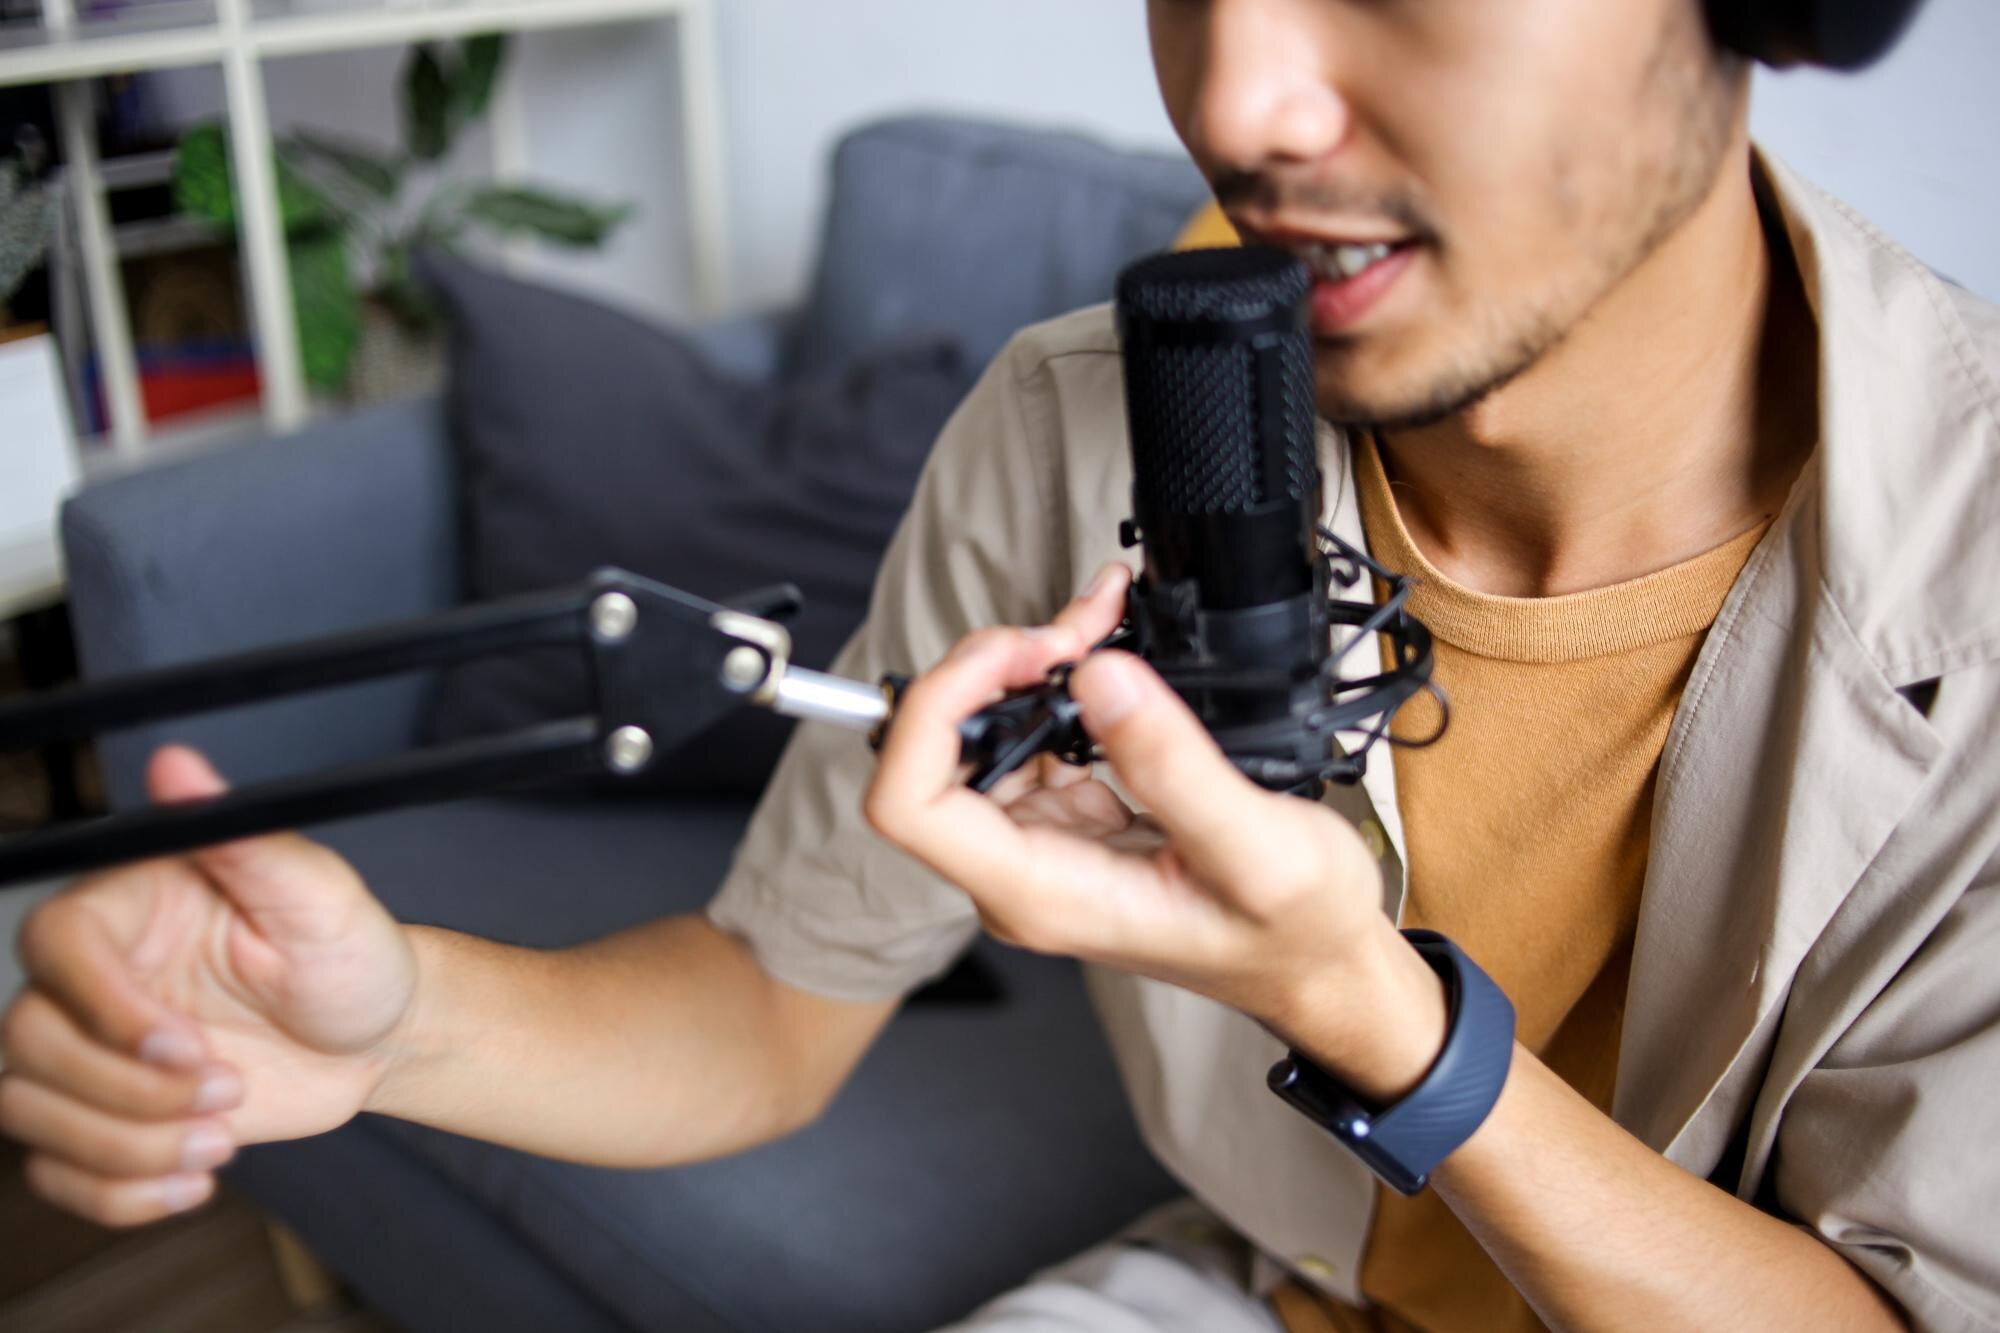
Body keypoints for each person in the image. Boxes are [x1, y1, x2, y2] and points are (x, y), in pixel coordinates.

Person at [3, 1, 1994, 1328]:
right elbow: (769, 1001)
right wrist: (383, 1025)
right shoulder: (1079, 427)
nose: (1236, 105)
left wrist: (1369, 1014)